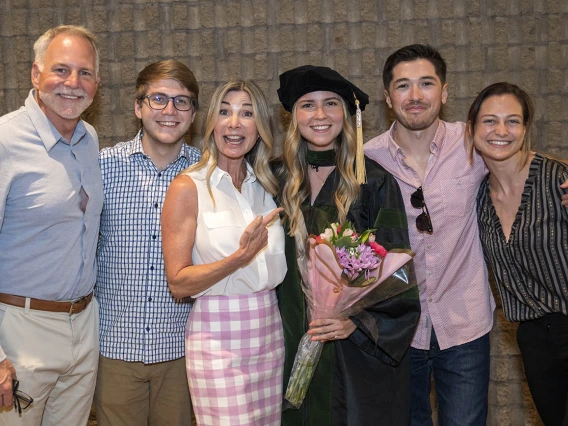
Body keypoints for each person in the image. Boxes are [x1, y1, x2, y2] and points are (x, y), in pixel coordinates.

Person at [275, 65, 421, 426]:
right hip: (286, 338)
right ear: (294, 117)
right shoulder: (273, 178)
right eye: (308, 105)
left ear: (347, 114)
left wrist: (357, 323)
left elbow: (397, 273)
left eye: (331, 104)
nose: (320, 115)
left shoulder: (372, 181)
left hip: (352, 354)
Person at [364, 44, 495, 426]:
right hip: (399, 331)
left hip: (465, 323)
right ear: (389, 99)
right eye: (403, 86)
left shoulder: (474, 142)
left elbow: (521, 163)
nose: (416, 95)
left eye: (426, 83)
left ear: (445, 92)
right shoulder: (366, 159)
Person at [161, 79, 287, 426]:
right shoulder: (188, 187)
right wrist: (239, 258)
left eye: (246, 114)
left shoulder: (267, 186)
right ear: (211, 124)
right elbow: (178, 283)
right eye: (225, 112)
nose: (234, 123)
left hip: (269, 331)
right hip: (217, 339)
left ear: (259, 128)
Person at [0, 25, 102, 425]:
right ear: (35, 74)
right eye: (61, 70)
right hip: (20, 330)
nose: (73, 84)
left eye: (85, 73)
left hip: (83, 324)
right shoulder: (5, 141)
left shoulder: (90, 138)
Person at [94, 60, 201, 426]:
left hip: (183, 351)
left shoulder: (209, 174)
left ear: (193, 114)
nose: (170, 111)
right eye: (158, 99)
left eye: (182, 101)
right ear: (138, 107)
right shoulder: (101, 168)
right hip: (114, 350)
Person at [467, 82, 568, 426]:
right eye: (489, 121)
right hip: (533, 339)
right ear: (472, 129)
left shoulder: (559, 181)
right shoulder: (477, 198)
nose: (500, 131)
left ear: (525, 130)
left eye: (512, 121)